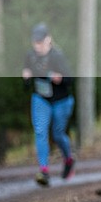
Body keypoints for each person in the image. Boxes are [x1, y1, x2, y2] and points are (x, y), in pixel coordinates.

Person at [22, 23, 76, 187]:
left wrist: (60, 79)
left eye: (41, 42)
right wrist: (25, 78)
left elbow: (70, 80)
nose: (38, 46)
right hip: (41, 99)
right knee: (40, 132)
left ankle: (68, 159)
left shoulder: (57, 56)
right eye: (35, 43)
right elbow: (26, 85)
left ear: (48, 40)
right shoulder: (30, 56)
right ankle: (43, 171)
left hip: (61, 101)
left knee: (58, 135)